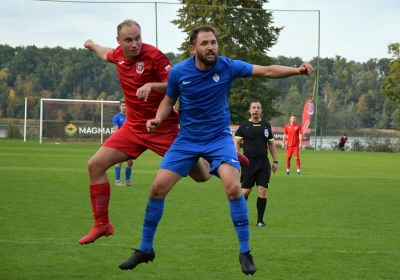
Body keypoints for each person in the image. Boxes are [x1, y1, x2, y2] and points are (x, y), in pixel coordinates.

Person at [118, 25, 313, 275]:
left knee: (233, 188)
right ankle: (145, 249)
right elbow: (168, 100)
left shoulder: (227, 66)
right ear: (193, 48)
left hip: (218, 139)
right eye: (205, 43)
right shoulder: (179, 72)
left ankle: (245, 252)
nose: (211, 47)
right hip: (187, 140)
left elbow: (265, 70)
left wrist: (297, 70)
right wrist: (157, 118)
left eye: (214, 42)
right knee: (157, 188)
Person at [78, 19, 212, 245]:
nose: (135, 44)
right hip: (132, 128)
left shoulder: (155, 57)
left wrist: (151, 86)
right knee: (94, 165)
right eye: (128, 40)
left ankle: (218, 153)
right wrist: (92, 45)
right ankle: (102, 223)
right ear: (119, 41)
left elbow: (177, 85)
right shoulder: (118, 54)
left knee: (202, 176)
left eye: (138, 38)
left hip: (162, 128)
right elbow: (105, 53)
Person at [233, 101, 279, 228]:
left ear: (261, 110)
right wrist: (237, 156)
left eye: (258, 108)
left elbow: (271, 144)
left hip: (263, 162)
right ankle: (239, 215)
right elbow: (237, 142)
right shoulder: (244, 126)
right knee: (246, 191)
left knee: (262, 190)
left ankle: (260, 220)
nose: (256, 110)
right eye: (253, 108)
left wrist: (275, 160)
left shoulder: (266, 125)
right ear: (249, 110)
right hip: (248, 162)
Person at [112, 98, 134, 186]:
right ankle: (117, 181)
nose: (124, 107)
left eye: (126, 106)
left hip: (130, 142)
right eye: (123, 106)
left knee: (130, 162)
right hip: (121, 141)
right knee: (119, 161)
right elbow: (116, 131)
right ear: (120, 107)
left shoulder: (131, 117)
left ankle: (127, 181)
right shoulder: (116, 117)